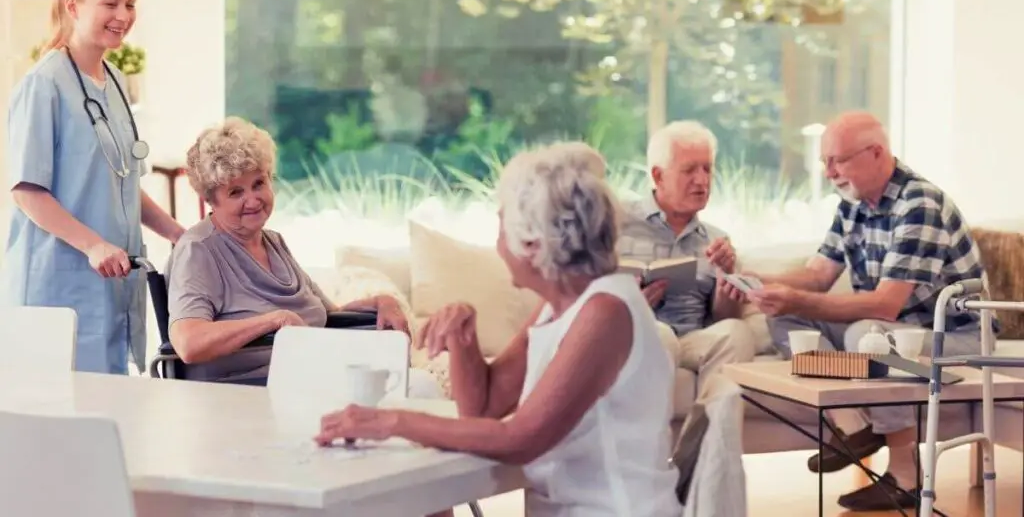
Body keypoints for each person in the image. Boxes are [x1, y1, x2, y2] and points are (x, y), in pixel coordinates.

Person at [314, 142, 681, 517]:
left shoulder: (606, 313)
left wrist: (390, 420)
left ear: (533, 244)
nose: (496, 244)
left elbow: (519, 440)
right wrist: (464, 338)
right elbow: (483, 409)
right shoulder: (560, 305)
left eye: (501, 225)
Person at [736, 111, 989, 511]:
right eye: (825, 163)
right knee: (784, 316)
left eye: (837, 160)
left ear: (876, 153)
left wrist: (795, 296)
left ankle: (906, 477)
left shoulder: (919, 203)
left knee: (866, 335)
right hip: (891, 330)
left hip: (957, 335)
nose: (830, 172)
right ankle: (854, 426)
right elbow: (817, 275)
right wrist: (757, 281)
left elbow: (887, 304)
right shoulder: (853, 204)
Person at [166, 116, 441, 396]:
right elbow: (189, 343)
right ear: (211, 200)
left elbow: (329, 314)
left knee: (421, 387)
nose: (253, 199)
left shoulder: (273, 242)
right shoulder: (199, 249)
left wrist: (382, 301)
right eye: (236, 192)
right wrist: (274, 320)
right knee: (420, 389)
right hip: (248, 389)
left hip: (309, 374)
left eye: (259, 183)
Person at [3, 0, 184, 375]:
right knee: (58, 416)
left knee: (107, 404)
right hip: (59, 281)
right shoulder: (43, 85)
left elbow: (118, 180)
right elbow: (28, 191)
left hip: (111, 280)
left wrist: (177, 232)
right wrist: (93, 244)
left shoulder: (116, 80)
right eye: (111, 3)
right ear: (73, 6)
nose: (123, 15)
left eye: (131, 3)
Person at [618, 121, 756, 403]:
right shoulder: (617, 223)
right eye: (689, 170)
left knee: (736, 333)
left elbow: (724, 319)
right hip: (638, 336)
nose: (702, 180)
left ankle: (707, 439)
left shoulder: (717, 241)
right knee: (660, 334)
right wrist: (632, 306)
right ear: (658, 176)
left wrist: (725, 280)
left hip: (693, 340)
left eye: (707, 168)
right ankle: (650, 445)